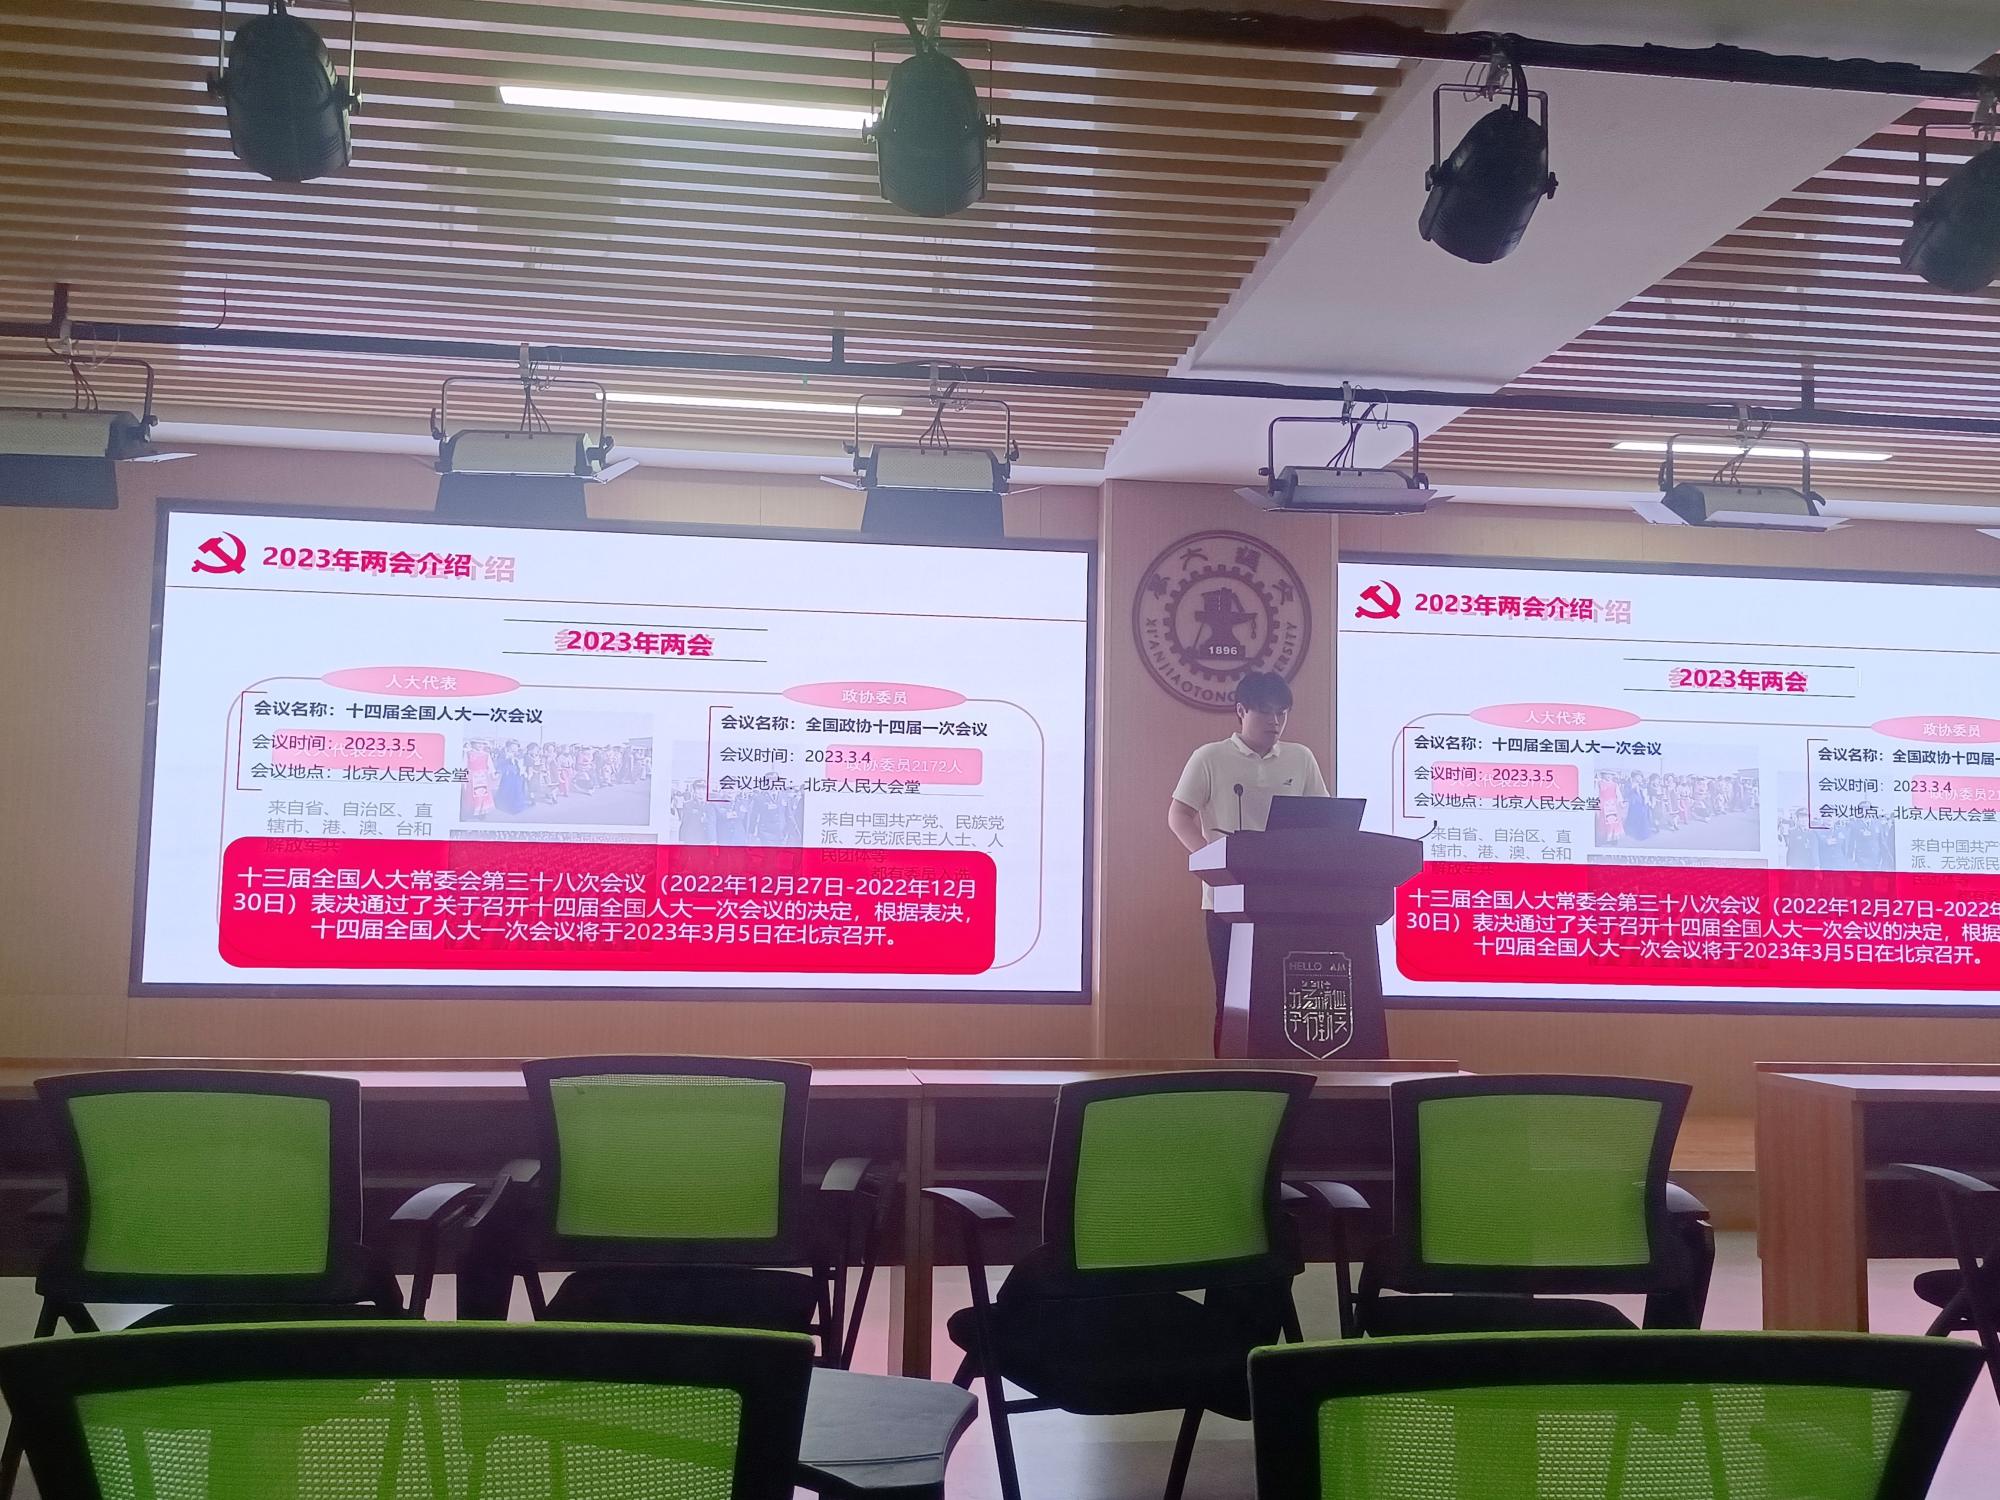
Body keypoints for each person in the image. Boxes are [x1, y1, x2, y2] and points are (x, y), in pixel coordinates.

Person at [1166, 671, 1329, 1053]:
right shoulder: (1210, 757)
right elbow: (1178, 815)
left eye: (1282, 713)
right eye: (1266, 712)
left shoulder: (1300, 758)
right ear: (1241, 711)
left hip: (1288, 899)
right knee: (1231, 1000)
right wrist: (1210, 863)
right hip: (1227, 899)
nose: (1275, 722)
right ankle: (1229, 1077)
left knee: (1284, 997)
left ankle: (1287, 1074)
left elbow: (1323, 818)